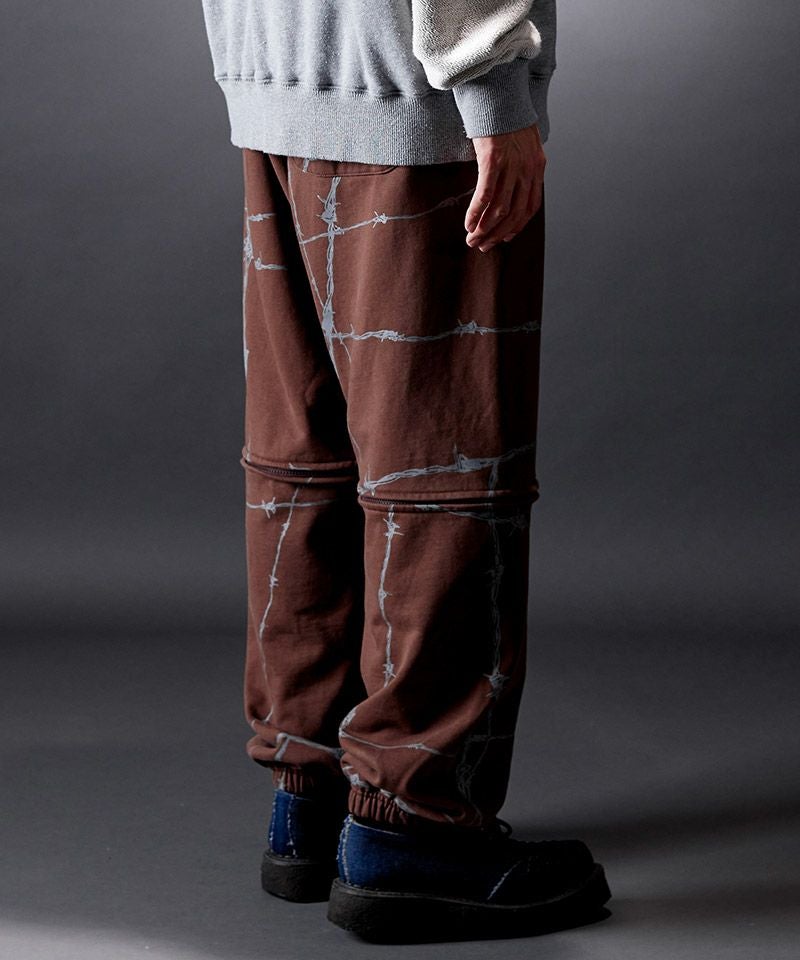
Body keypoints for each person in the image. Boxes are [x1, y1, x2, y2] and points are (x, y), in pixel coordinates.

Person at [199, 0, 611, 942]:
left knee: (306, 462)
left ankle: (311, 797)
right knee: (444, 469)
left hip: (277, 76)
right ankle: (411, 825)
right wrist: (491, 90)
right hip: (406, 94)